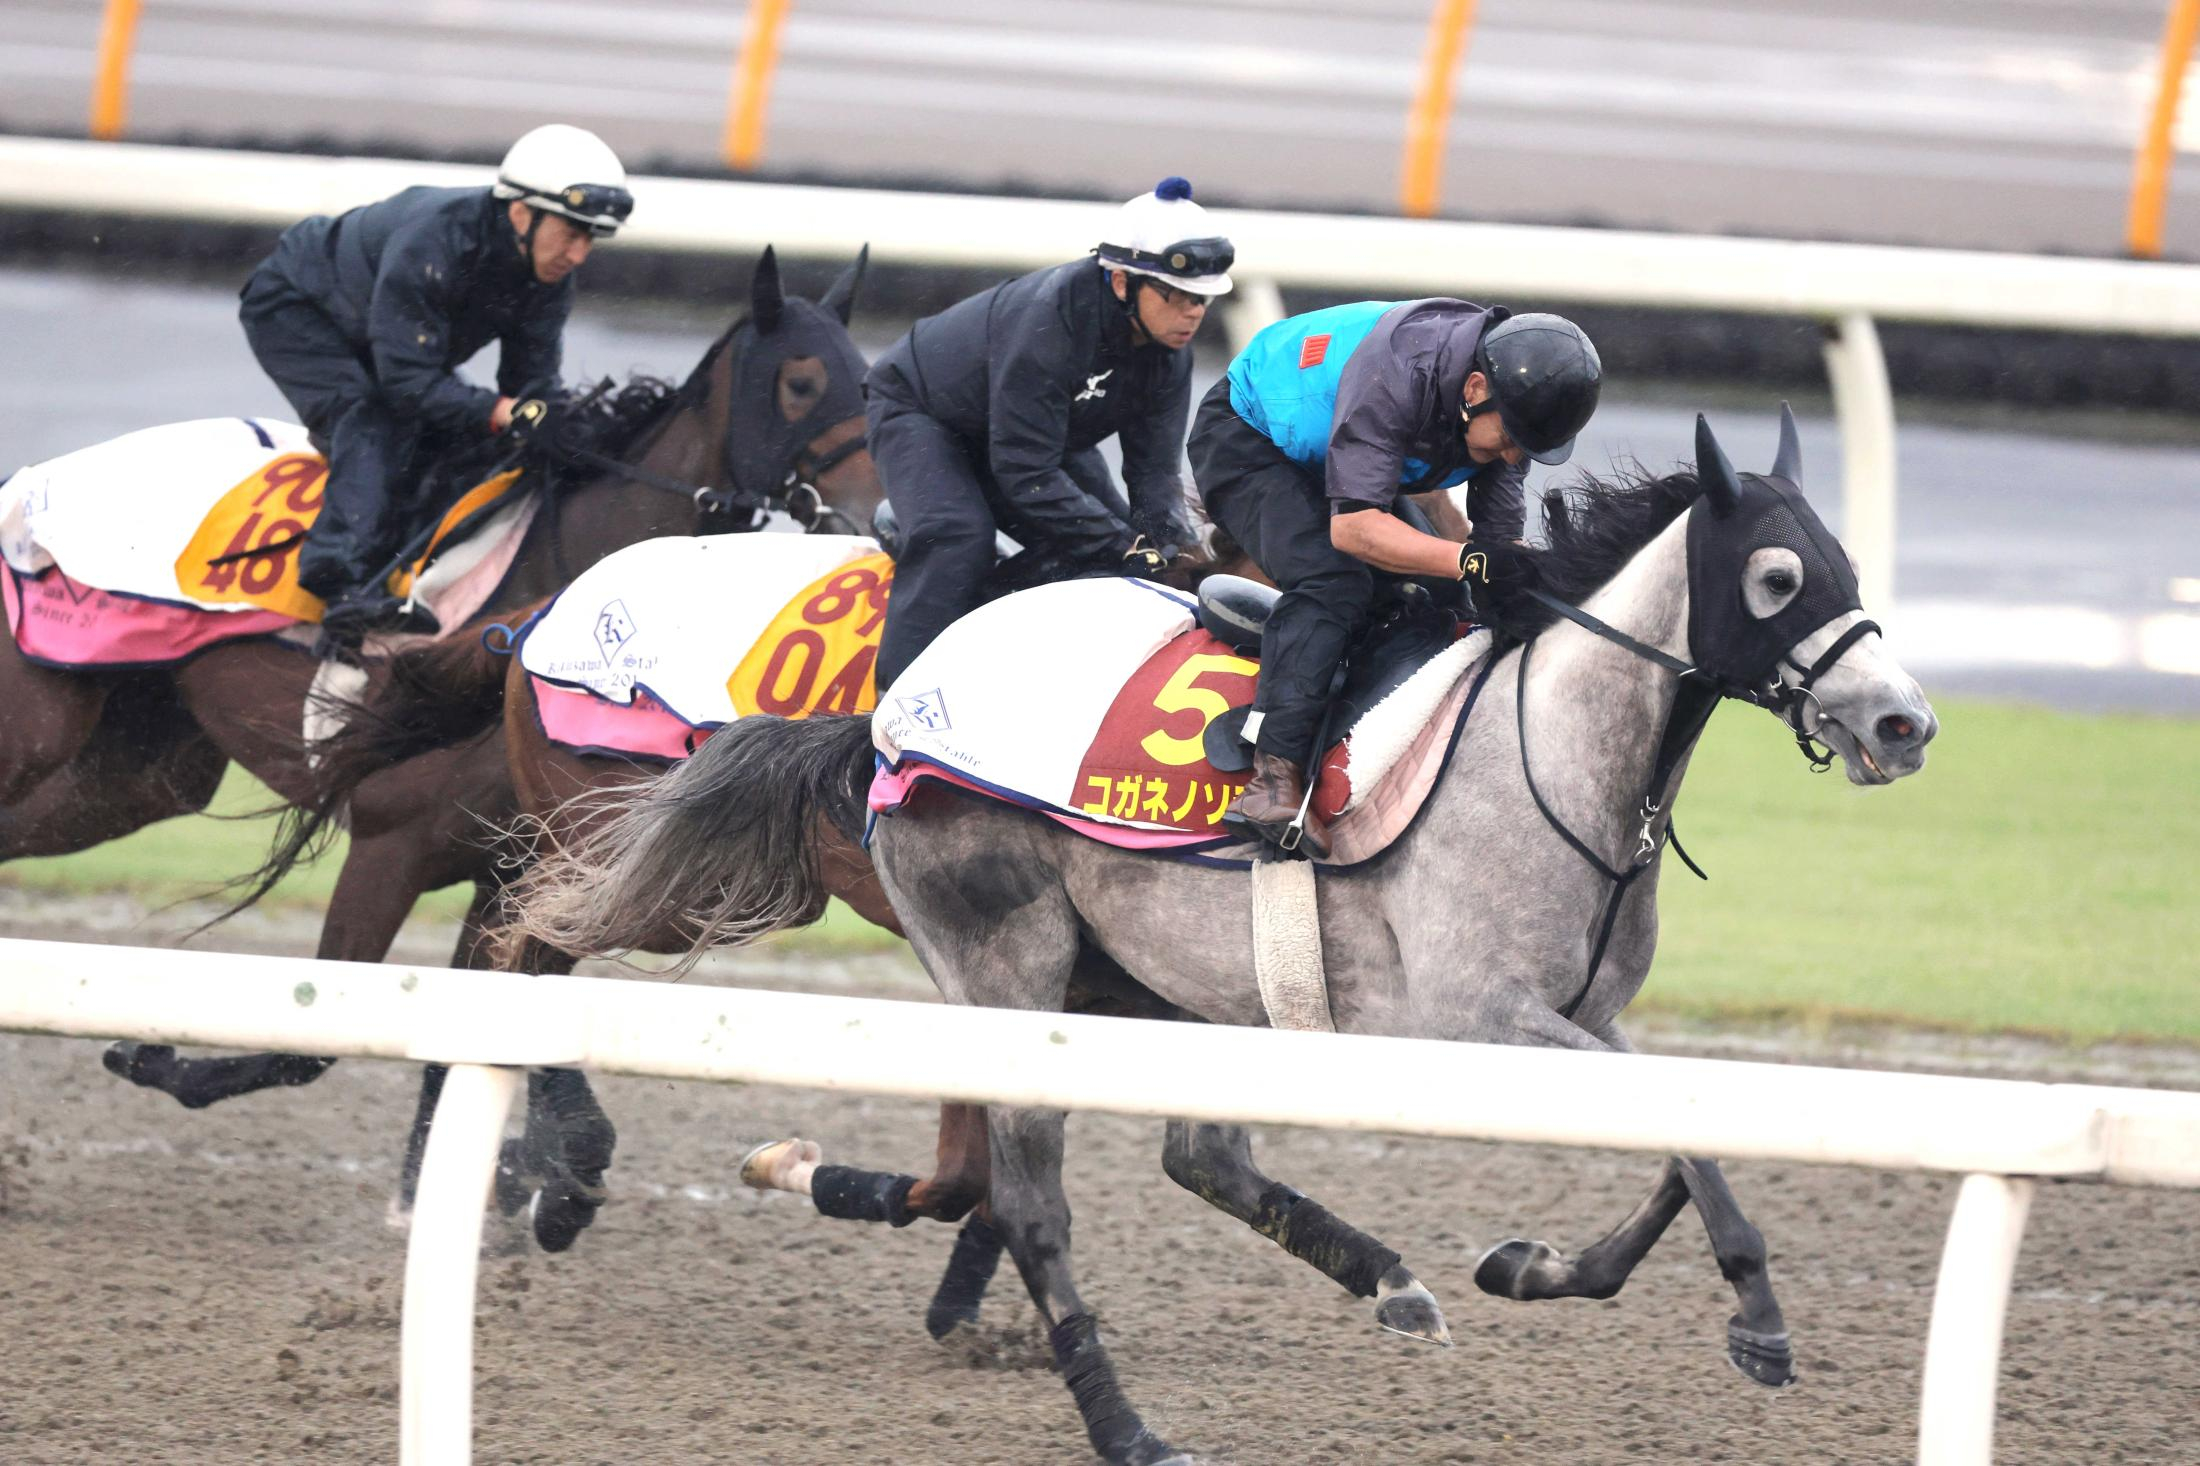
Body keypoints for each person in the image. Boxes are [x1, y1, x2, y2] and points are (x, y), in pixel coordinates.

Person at [1192, 302, 1602, 856]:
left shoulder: (1508, 405)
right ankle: (1272, 779)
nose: (1512, 455)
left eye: (1526, 448)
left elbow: (1493, 547)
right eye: (1511, 438)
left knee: (1442, 596)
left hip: (1344, 449)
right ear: (1476, 388)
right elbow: (1355, 532)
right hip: (1249, 438)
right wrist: (1471, 560)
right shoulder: (1400, 374)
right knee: (1333, 582)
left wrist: (1515, 577)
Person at [238, 123, 634, 648]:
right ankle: (339, 585)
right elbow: (407, 388)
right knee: (372, 421)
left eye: (590, 239)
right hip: (298, 307)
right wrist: (507, 412)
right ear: (521, 213)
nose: (579, 254)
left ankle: (419, 569)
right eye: (572, 233)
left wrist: (555, 424)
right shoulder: (434, 241)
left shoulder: (548, 276)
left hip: (386, 332)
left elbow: (530, 384)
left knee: (473, 438)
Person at [868, 177, 1233, 687]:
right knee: (959, 535)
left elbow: (1152, 474)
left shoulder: (1170, 353)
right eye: (1176, 296)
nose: (1192, 313)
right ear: (1122, 282)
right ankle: (887, 704)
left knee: (1117, 549)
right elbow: (1025, 472)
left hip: (1030, 437)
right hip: (924, 413)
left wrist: (1177, 551)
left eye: (1202, 300)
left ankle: (984, 626)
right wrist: (1125, 542)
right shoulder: (1050, 322)